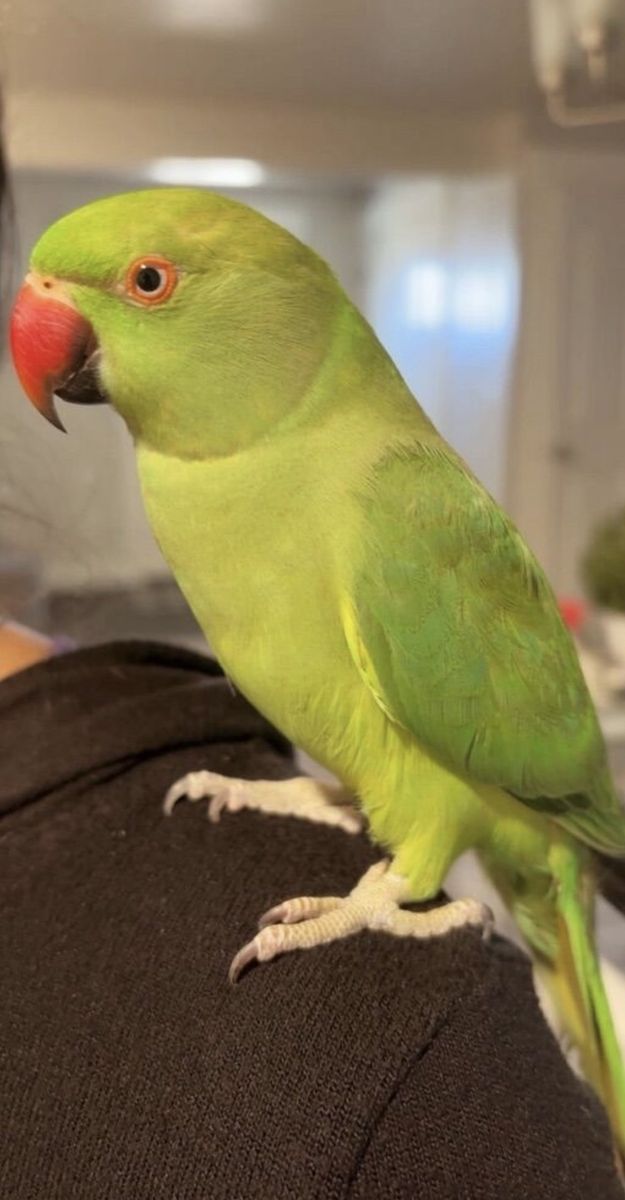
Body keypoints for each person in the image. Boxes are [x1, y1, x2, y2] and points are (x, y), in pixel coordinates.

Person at [0, 132, 622, 1199]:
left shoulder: (393, 496)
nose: (61, 321)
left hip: (513, 814)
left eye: (149, 284)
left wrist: (401, 882)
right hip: (387, 777)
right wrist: (333, 784)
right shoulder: (186, 481)